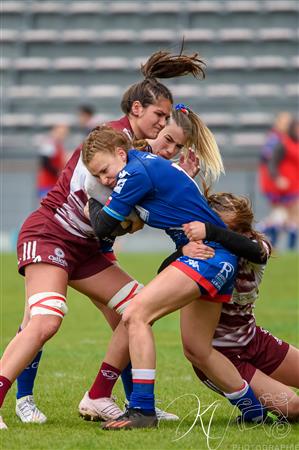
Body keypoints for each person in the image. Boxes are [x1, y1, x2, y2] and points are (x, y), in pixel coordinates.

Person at [1, 49, 207, 429]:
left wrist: (179, 177)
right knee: (44, 319)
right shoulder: (107, 146)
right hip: (53, 235)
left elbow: (137, 209)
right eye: (160, 116)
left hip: (88, 247)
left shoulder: (137, 150)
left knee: (135, 311)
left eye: (167, 118)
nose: (165, 125)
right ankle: (20, 396)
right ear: (136, 109)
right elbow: (106, 219)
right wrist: (137, 216)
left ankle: (103, 396)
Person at [81, 125, 267, 430]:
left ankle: (142, 409)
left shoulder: (134, 173)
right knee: (198, 349)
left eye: (105, 170)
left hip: (209, 258)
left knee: (136, 314)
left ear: (120, 153)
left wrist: (91, 194)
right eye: (98, 175)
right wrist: (183, 246)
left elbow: (101, 228)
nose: (104, 179)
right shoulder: (146, 165)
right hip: (214, 258)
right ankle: (253, 411)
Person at [78, 103, 224, 420]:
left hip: (205, 256)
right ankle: (122, 401)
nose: (169, 149)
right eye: (166, 138)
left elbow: (114, 225)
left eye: (177, 146)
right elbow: (112, 224)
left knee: (141, 317)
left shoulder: (142, 169)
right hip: (196, 256)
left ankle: (131, 404)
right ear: (153, 128)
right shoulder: (130, 164)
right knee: (155, 326)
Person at [166, 192, 299, 421]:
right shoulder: (202, 256)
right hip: (221, 358)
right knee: (294, 408)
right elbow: (162, 276)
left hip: (253, 340)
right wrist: (182, 252)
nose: (223, 237)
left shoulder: (256, 247)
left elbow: (255, 251)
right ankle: (252, 409)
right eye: (218, 228)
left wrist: (212, 232)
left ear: (246, 231)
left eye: (234, 230)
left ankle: (254, 410)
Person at [258, 112, 293, 248]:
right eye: (284, 122)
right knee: (281, 214)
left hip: (283, 183)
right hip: (275, 183)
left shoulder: (284, 138)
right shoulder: (274, 139)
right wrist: (277, 178)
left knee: (283, 215)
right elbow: (269, 162)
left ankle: (272, 244)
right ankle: (261, 231)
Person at [36, 124, 68, 201]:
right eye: (61, 133)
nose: (63, 136)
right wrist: (58, 172)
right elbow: (45, 162)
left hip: (54, 183)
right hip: (47, 183)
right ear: (54, 131)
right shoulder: (49, 144)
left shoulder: (58, 145)